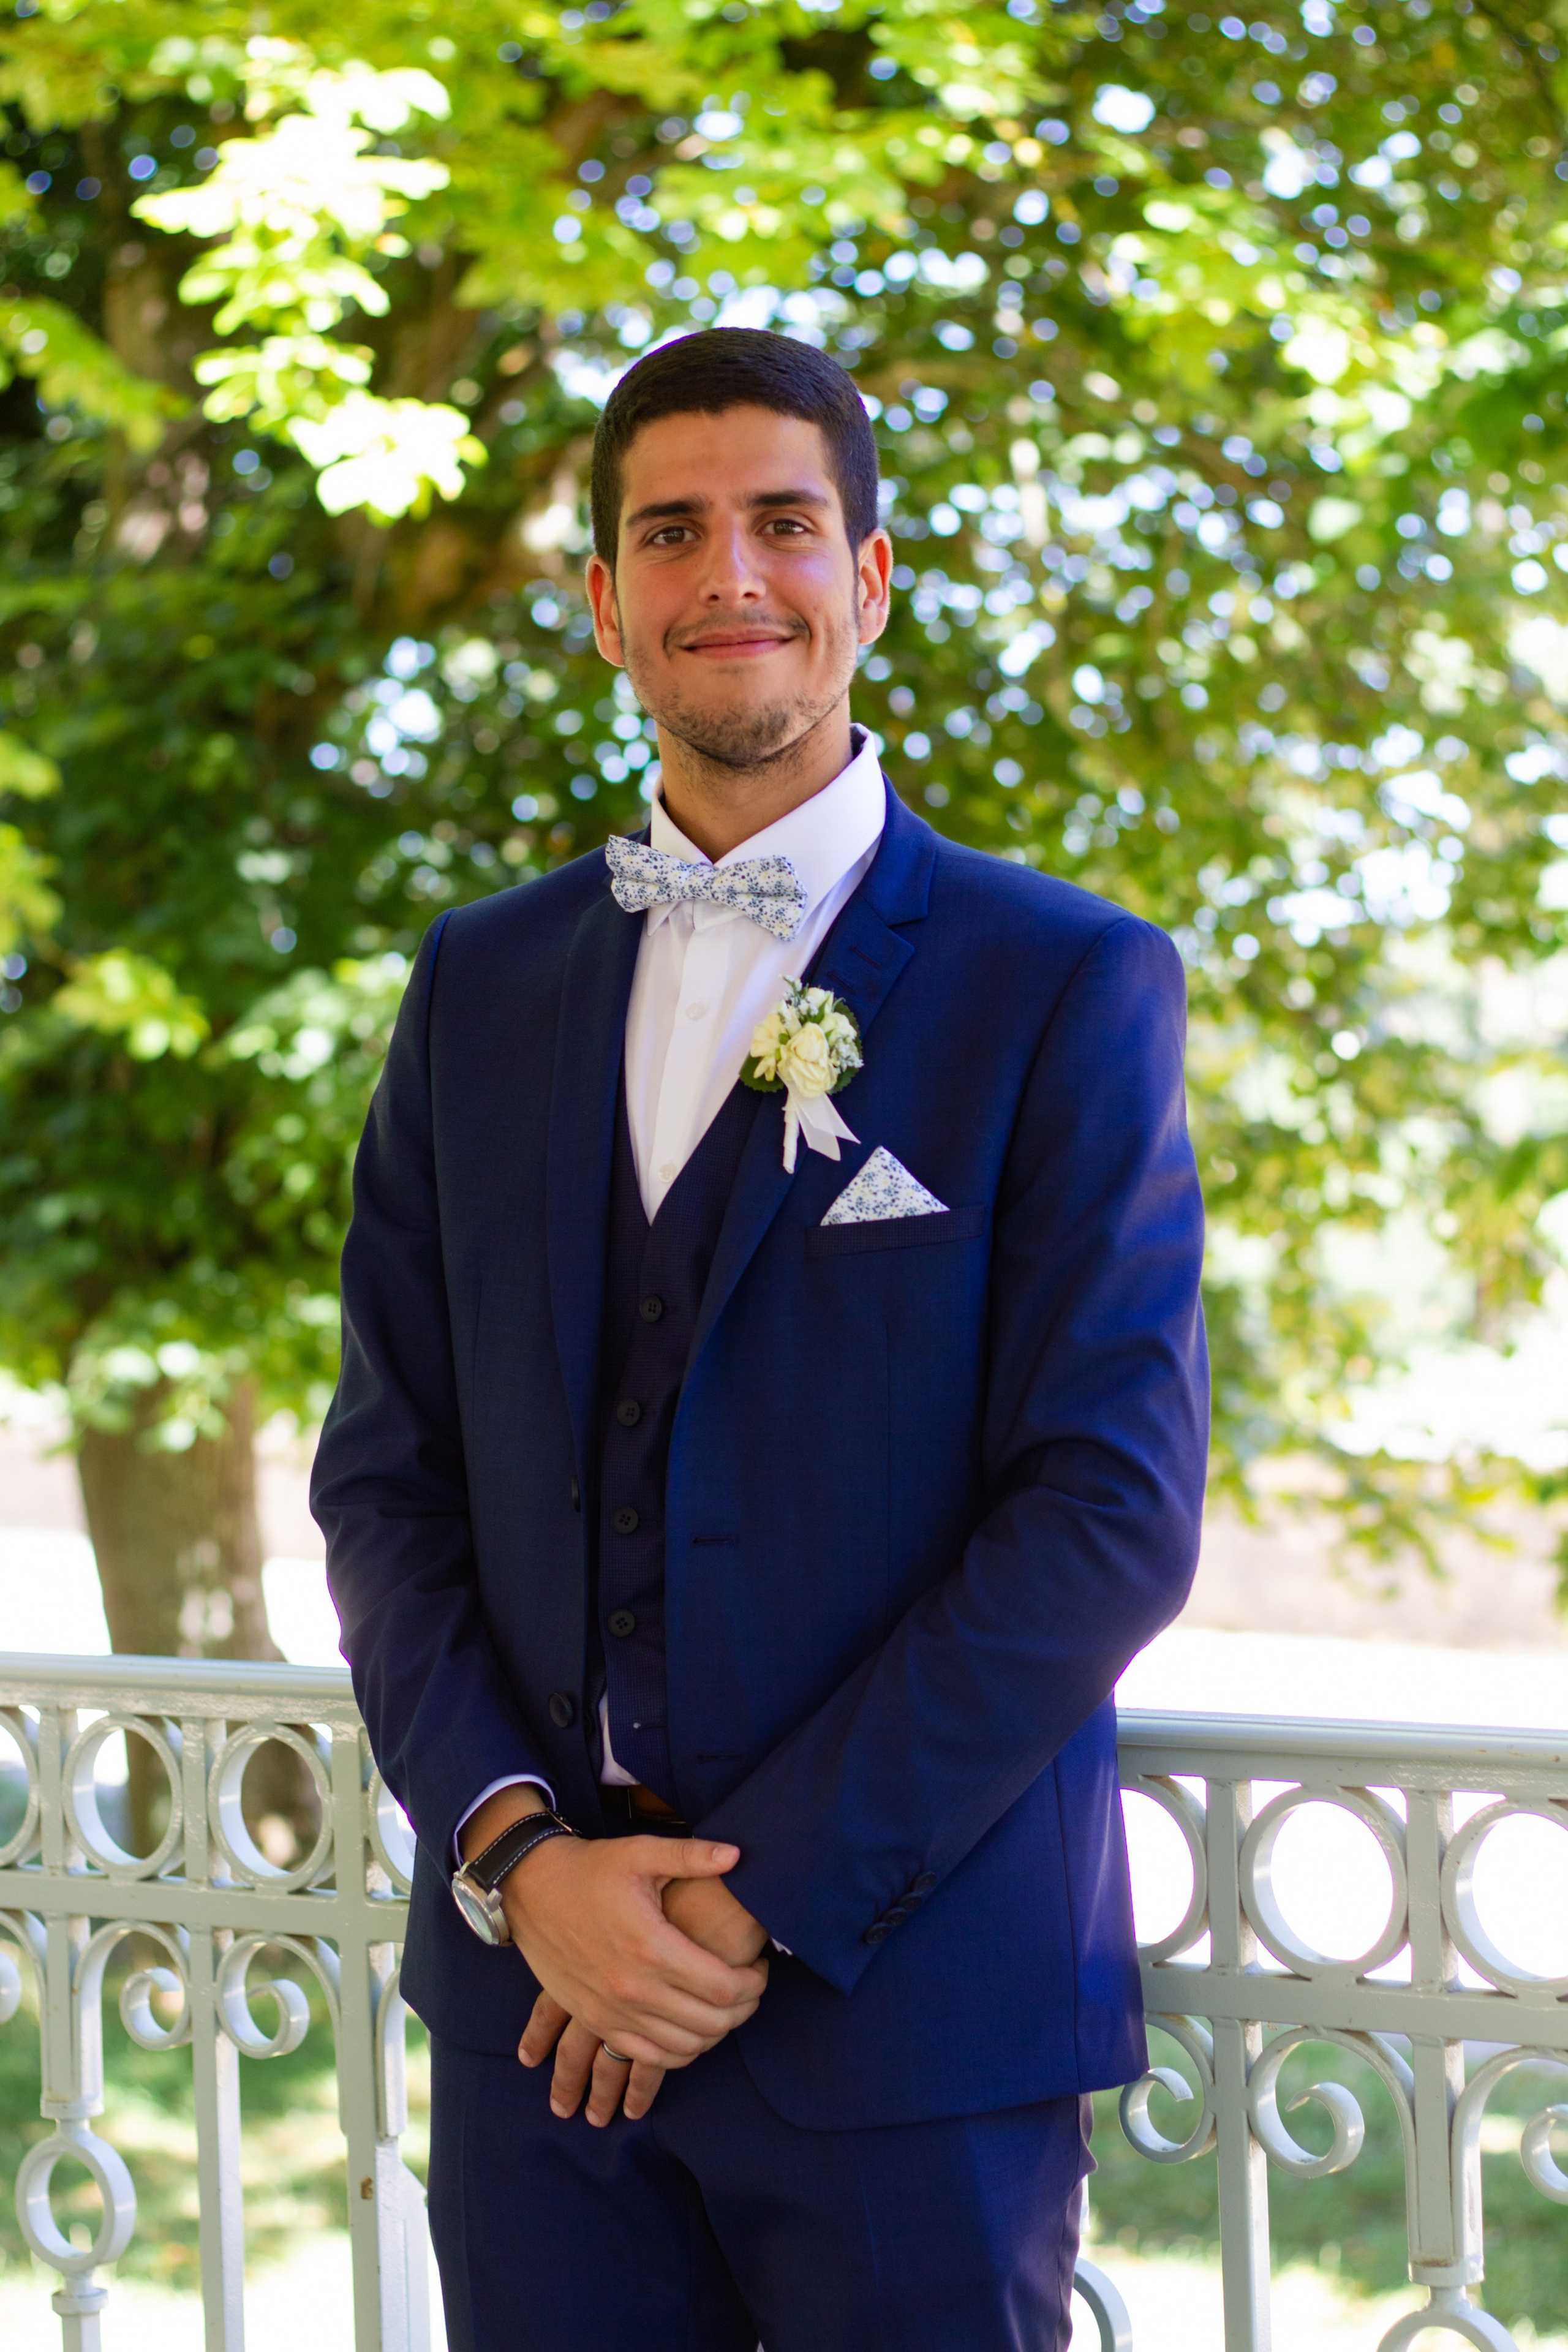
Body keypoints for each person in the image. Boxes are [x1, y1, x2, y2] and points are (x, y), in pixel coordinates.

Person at [312, 325, 1208, 2351]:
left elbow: (1109, 1512)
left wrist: (744, 1903)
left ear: (868, 582)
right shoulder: (477, 985)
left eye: (786, 524)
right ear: (606, 607)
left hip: (907, 2021)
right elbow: (388, 1480)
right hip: (537, 2031)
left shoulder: (1064, 984)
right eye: (674, 532)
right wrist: (519, 1858)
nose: (734, 575)